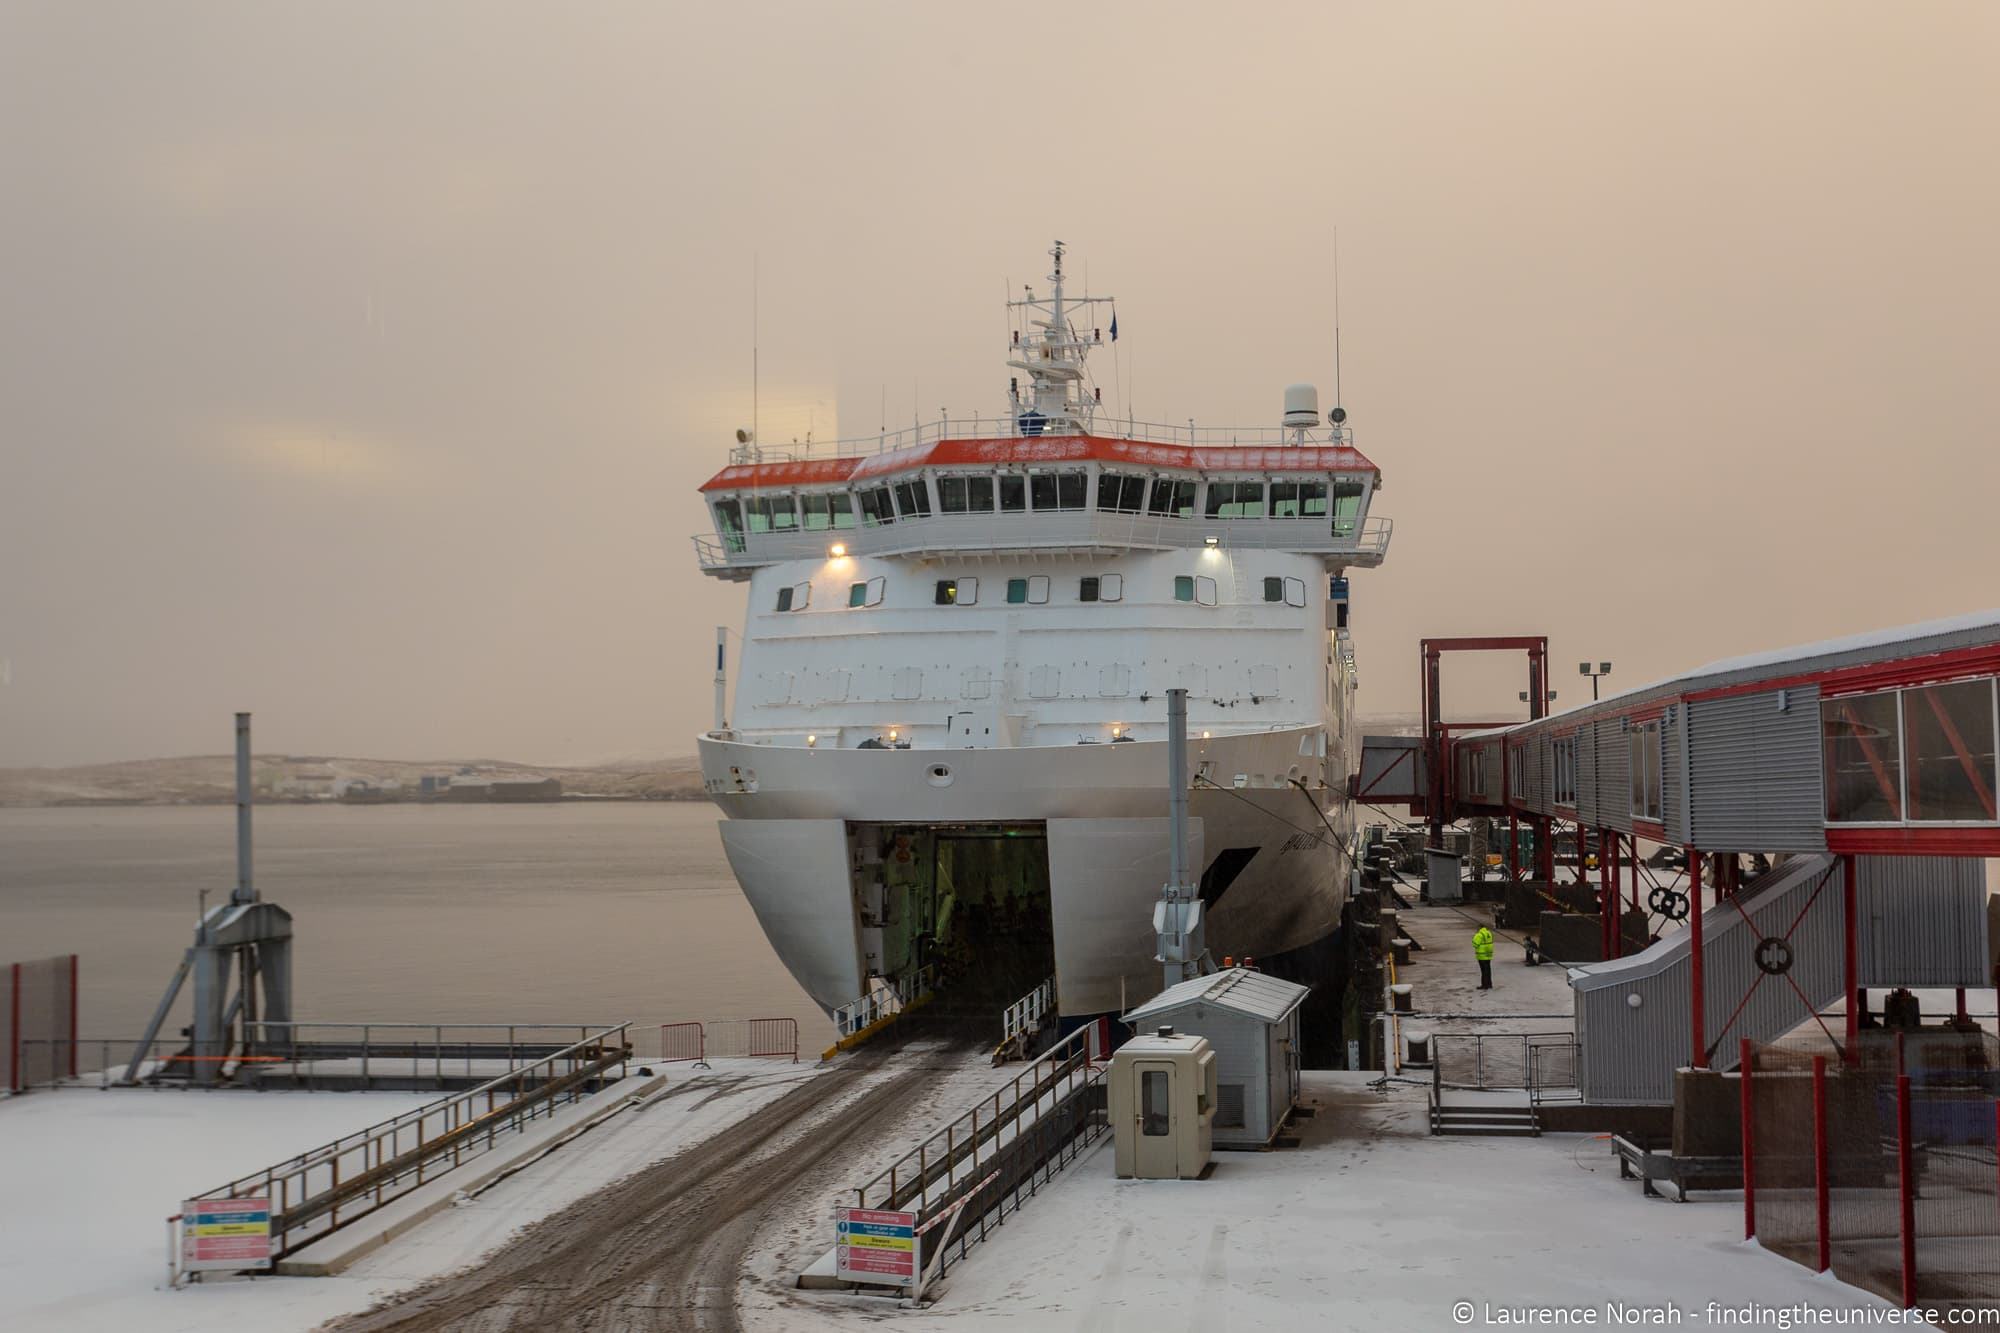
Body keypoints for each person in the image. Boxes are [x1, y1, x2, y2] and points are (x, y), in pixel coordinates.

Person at [1473, 922, 1495, 990]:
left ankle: (1484, 985)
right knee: (1488, 969)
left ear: (1479, 928)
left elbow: (1475, 944)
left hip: (1481, 955)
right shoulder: (1489, 933)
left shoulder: (1479, 935)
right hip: (1488, 954)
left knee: (1483, 970)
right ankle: (1489, 984)